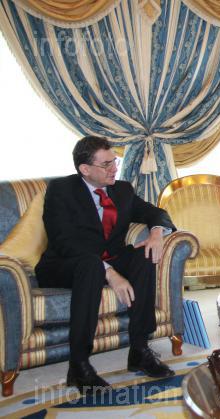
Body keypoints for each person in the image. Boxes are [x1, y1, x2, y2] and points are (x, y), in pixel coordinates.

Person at [35, 136, 177, 394]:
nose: (114, 168)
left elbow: (155, 212)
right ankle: (79, 365)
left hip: (108, 258)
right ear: (85, 169)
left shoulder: (122, 190)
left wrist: (156, 233)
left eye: (115, 161)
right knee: (91, 265)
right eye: (106, 164)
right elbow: (64, 241)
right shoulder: (61, 190)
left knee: (145, 255)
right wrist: (109, 273)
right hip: (65, 264)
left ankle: (139, 349)